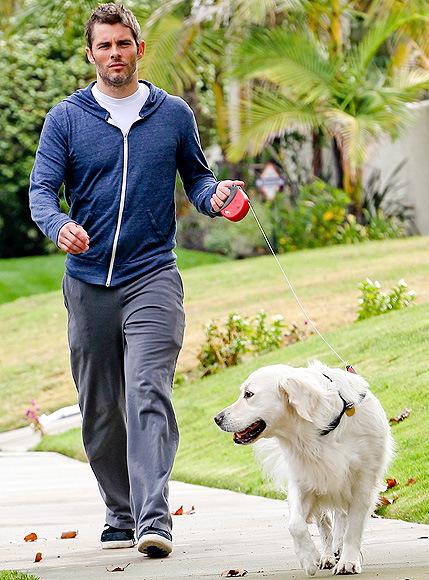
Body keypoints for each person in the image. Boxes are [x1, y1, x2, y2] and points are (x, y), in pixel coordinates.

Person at [29, 2, 243, 559]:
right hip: (88, 284)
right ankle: (120, 511)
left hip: (152, 275)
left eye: (124, 44)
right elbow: (41, 193)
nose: (115, 54)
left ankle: (155, 518)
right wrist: (59, 226)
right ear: (91, 53)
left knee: (148, 391)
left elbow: (197, 179)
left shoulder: (171, 113)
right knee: (100, 408)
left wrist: (214, 196)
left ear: (139, 50)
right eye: (104, 45)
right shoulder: (67, 118)